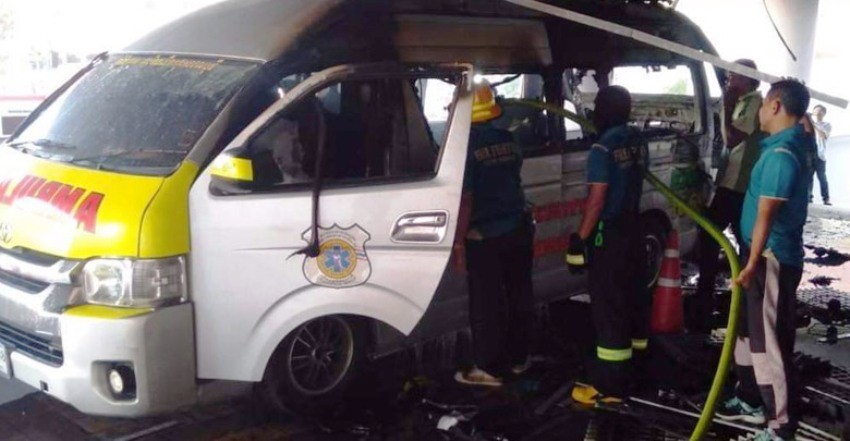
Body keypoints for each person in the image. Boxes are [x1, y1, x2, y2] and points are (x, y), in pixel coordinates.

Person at [718, 80, 812, 441]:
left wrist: (752, 262)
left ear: (774, 106)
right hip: (760, 255)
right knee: (747, 332)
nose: (758, 111)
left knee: (768, 342)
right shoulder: (792, 145)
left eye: (762, 105)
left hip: (769, 257)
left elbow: (766, 215)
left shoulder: (779, 158)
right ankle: (750, 398)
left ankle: (780, 424)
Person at [567, 85, 650, 405]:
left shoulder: (602, 149)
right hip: (634, 228)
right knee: (633, 300)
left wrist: (580, 239)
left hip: (610, 234)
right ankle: (638, 369)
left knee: (609, 307)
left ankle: (610, 388)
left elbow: (597, 198)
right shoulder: (636, 139)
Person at [454, 80, 535, 387]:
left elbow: (466, 200)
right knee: (519, 294)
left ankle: (487, 368)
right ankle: (518, 359)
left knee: (486, 302)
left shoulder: (466, 147)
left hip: (484, 234)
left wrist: (459, 242)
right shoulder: (510, 139)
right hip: (518, 226)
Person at [691, 59, 765, 333]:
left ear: (747, 80)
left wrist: (726, 104)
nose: (728, 82)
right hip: (731, 181)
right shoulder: (744, 102)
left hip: (738, 184)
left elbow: (733, 138)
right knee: (732, 237)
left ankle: (707, 303)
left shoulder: (752, 103)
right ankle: (738, 294)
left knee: (710, 234)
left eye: (733, 77)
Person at [809, 104, 831, 205]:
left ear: (823, 113)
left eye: (819, 111)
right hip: (810, 153)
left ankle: (826, 199)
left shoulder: (826, 124)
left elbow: (823, 135)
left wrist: (813, 124)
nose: (817, 112)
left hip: (820, 155)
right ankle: (808, 198)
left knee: (822, 177)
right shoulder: (809, 123)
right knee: (809, 177)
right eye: (815, 110)